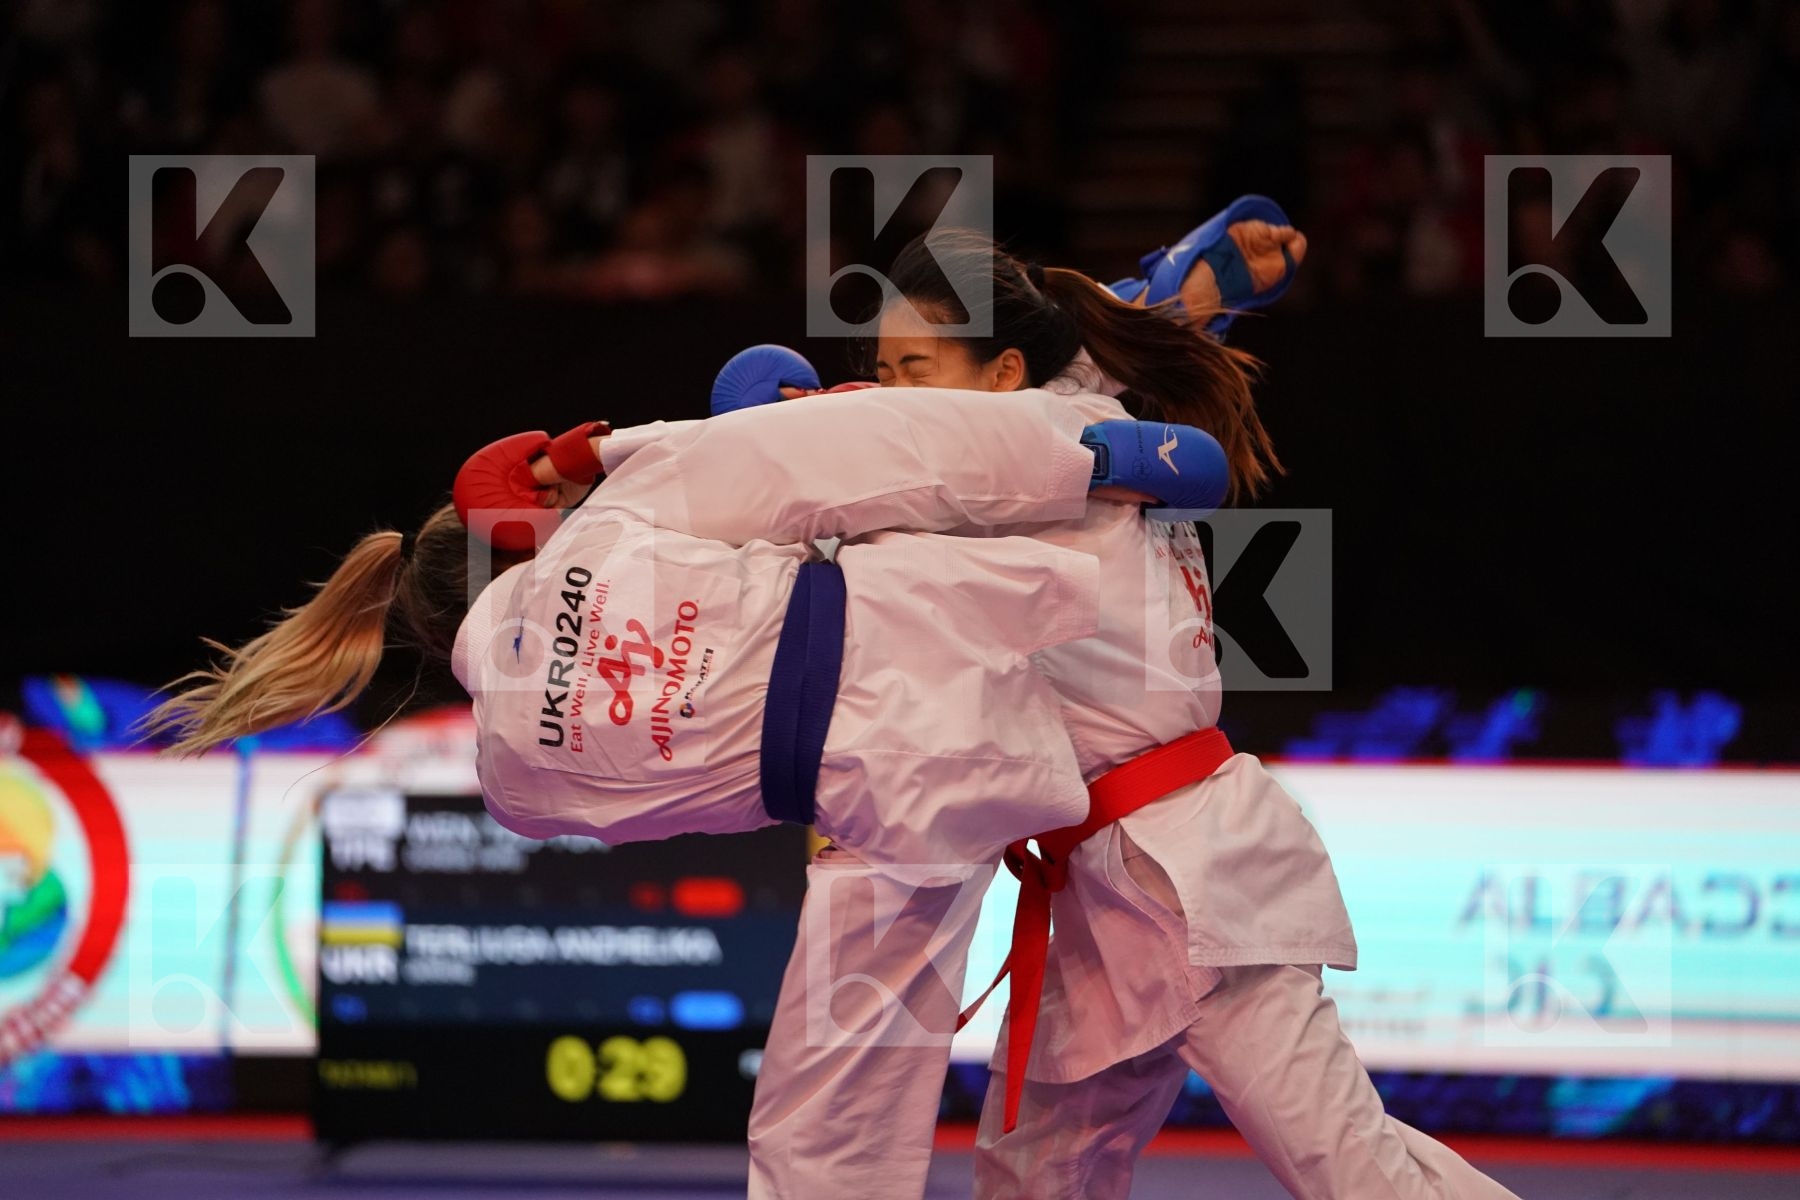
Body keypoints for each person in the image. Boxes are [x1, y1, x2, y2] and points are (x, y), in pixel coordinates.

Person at [853, 229, 1520, 1199]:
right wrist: (1205, 277)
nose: (886, 395)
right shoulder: (1067, 421)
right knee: (1035, 1176)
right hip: (1106, 890)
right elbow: (1115, 329)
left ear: (1002, 374)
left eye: (914, 369)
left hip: (1190, 876)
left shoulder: (1023, 461)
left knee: (1348, 1167)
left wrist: (748, 428)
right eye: (879, 371)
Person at [143, 388, 1224, 880]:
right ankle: (1129, 359)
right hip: (959, 622)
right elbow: (852, 451)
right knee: (860, 446)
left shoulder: (513, 789)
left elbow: (688, 804)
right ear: (516, 537)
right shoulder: (602, 528)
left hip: (915, 805)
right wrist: (1081, 461)